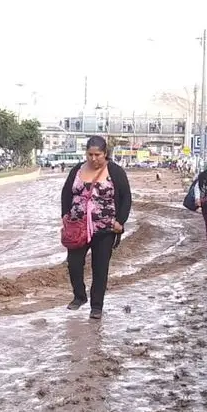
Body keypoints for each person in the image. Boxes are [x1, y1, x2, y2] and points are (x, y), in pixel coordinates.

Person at [61, 135, 132, 320]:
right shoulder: (77, 170)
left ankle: (97, 306)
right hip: (78, 228)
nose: (93, 159)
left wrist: (120, 222)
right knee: (74, 265)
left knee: (100, 268)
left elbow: (126, 198)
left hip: (105, 230)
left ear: (105, 153)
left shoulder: (115, 172)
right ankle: (79, 296)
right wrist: (65, 216)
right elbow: (66, 193)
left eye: (97, 155)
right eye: (90, 154)